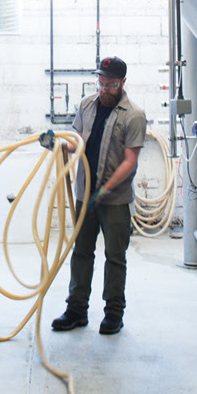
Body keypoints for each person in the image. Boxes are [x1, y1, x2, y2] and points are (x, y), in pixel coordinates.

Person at [52, 55, 146, 335]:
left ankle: (113, 314)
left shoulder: (134, 116)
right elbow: (77, 143)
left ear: (122, 83)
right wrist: (57, 143)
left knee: (115, 256)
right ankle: (76, 311)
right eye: (100, 83)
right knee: (81, 253)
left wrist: (105, 190)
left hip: (115, 200)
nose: (104, 89)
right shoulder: (86, 105)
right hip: (84, 194)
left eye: (110, 85)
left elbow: (130, 160)